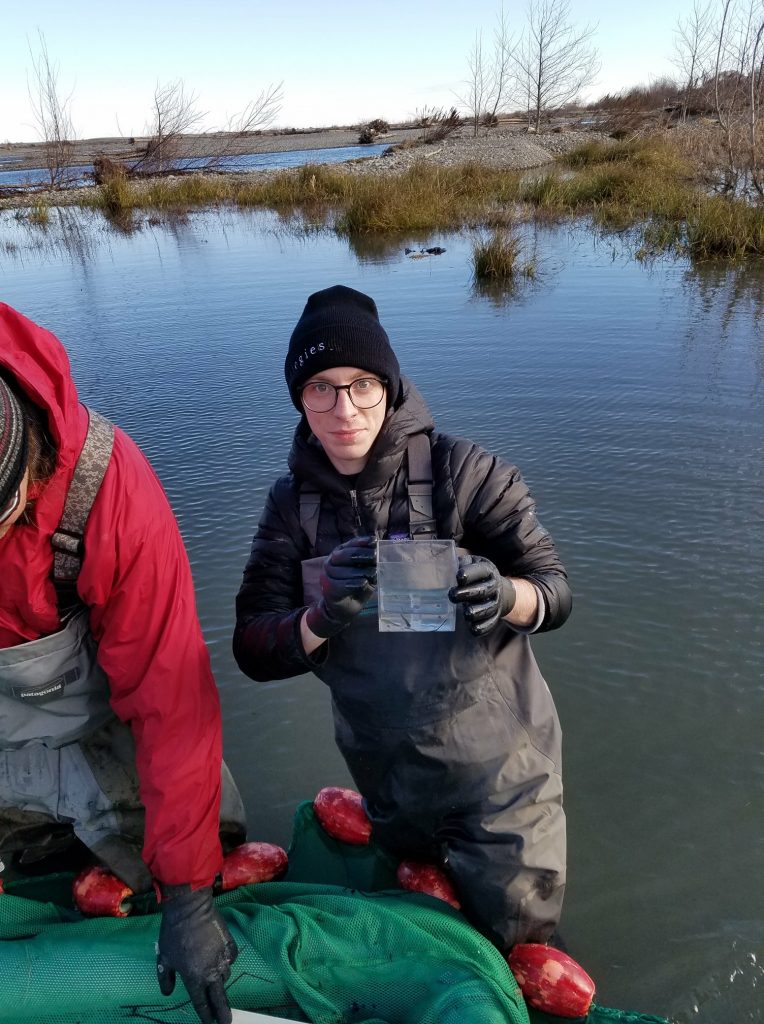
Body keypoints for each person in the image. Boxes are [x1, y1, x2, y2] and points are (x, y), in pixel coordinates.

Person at [233, 284, 573, 954]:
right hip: (387, 778)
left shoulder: (465, 474)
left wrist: (507, 595)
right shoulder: (290, 507)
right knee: (422, 933)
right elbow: (251, 645)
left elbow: (555, 592)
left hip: (501, 778)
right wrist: (318, 619)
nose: (344, 409)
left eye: (362, 385)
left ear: (388, 388)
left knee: (520, 944)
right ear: (299, 399)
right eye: (320, 389)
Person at [0, 303, 247, 1024]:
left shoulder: (107, 491)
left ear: (26, 474)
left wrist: (189, 893)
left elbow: (170, 696)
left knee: (205, 845)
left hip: (97, 719)